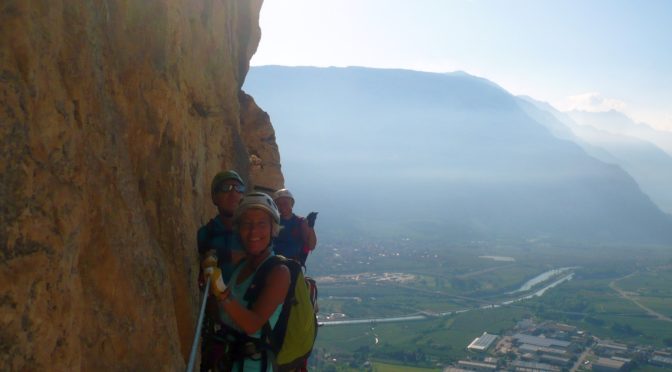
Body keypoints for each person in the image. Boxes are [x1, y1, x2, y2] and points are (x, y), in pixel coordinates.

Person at [203, 192, 291, 371]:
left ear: (272, 229)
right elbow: (224, 315)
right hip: (227, 360)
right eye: (247, 224)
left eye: (261, 224)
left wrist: (221, 292)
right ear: (239, 229)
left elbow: (252, 324)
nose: (253, 232)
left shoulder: (279, 272)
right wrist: (209, 288)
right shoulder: (242, 266)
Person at [197, 170, 247, 281]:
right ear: (214, 197)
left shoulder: (253, 231)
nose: (233, 193)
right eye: (226, 188)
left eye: (238, 188)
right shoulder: (206, 234)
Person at [272, 189, 317, 266]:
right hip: (274, 263)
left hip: (293, 265)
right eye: (279, 204)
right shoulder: (273, 222)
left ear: (292, 203)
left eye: (285, 203)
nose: (282, 206)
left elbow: (311, 245)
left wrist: (310, 227)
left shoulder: (301, 222)